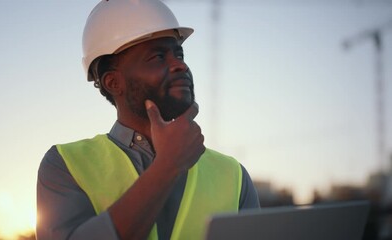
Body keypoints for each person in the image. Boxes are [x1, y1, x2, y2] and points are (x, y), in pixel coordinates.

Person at [36, 0, 260, 239]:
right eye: (158, 57)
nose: (180, 65)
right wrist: (168, 166)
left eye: (179, 53)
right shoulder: (66, 165)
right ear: (113, 82)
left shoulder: (233, 174)